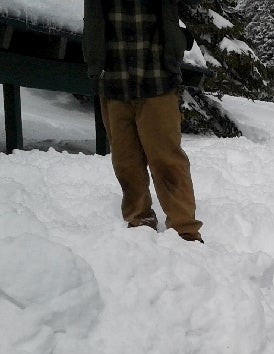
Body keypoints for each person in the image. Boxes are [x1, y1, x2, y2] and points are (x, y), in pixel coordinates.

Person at [83, 0, 204, 243]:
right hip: (113, 80)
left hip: (157, 79)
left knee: (167, 160)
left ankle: (185, 231)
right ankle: (139, 221)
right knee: (125, 161)